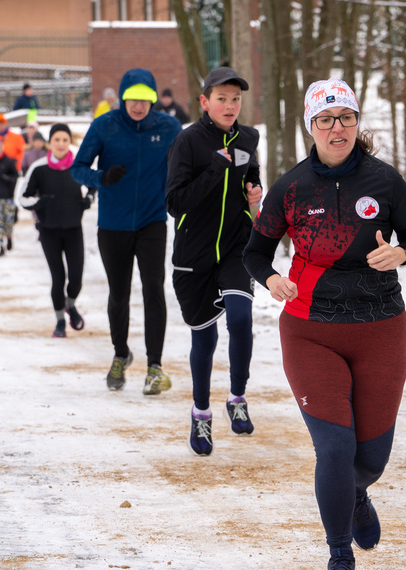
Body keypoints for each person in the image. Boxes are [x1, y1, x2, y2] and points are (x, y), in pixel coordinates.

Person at [242, 78, 406, 570]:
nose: (337, 128)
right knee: (335, 445)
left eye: (345, 117)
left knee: (369, 460)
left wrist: (402, 251)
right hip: (310, 328)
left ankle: (358, 494)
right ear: (312, 127)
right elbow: (255, 251)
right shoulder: (292, 186)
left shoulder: (384, 180)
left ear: (356, 122)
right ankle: (339, 552)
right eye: (325, 120)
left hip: (380, 326)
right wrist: (271, 278)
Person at [165, 66, 262, 456]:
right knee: (204, 338)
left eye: (235, 99)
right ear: (204, 102)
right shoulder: (187, 143)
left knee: (241, 318)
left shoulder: (249, 138)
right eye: (221, 98)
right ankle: (201, 414)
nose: (229, 105)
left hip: (236, 247)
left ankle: (237, 398)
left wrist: (254, 192)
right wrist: (216, 169)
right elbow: (175, 203)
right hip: (194, 256)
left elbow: (251, 178)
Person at [71, 68, 181, 394]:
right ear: (122, 98)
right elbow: (77, 168)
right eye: (132, 99)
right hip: (112, 225)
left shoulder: (169, 127)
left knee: (153, 290)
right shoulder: (104, 126)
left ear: (153, 100)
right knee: (118, 294)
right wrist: (100, 178)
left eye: (145, 100)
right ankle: (121, 354)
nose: (138, 106)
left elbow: (187, 162)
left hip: (152, 221)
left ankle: (154, 367)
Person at [19, 123, 92, 338]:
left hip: (73, 229)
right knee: (58, 277)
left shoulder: (79, 166)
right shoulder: (39, 168)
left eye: (65, 140)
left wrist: (88, 198)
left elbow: (93, 186)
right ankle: (60, 321)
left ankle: (70, 304)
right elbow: (22, 197)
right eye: (57, 140)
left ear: (70, 142)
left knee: (76, 277)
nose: (61, 144)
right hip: (49, 230)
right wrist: (38, 203)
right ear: (50, 143)